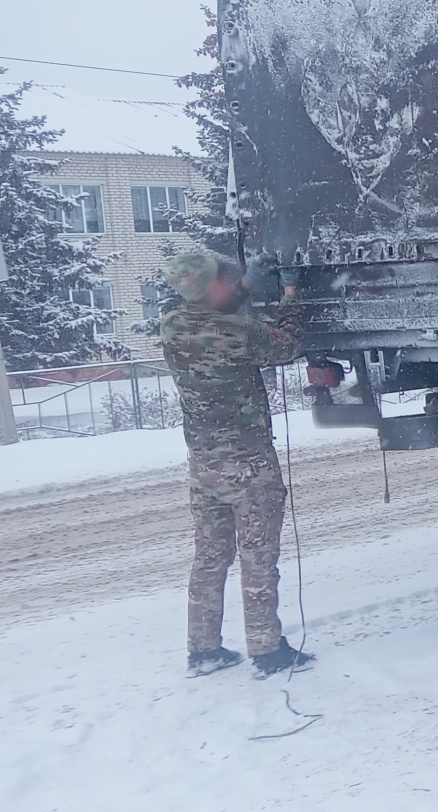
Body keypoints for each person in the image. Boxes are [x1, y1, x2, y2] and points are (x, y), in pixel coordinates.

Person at [161, 251, 315, 677]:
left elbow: (217, 314)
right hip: (249, 466)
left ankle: (203, 649)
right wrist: (289, 292)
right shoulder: (242, 331)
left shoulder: (172, 325)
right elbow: (288, 345)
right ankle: (267, 651)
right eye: (225, 278)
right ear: (213, 286)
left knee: (210, 559)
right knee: (258, 556)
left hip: (203, 465)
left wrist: (247, 285)